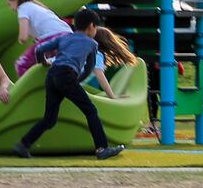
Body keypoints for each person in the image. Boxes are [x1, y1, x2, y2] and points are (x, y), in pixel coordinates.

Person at [12, 10, 126, 160]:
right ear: (91, 26)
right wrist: (76, 81)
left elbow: (40, 49)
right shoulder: (92, 43)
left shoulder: (65, 38)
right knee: (90, 111)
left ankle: (23, 144)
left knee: (49, 119)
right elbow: (89, 68)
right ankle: (102, 148)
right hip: (67, 75)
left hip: (52, 75)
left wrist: (44, 62)